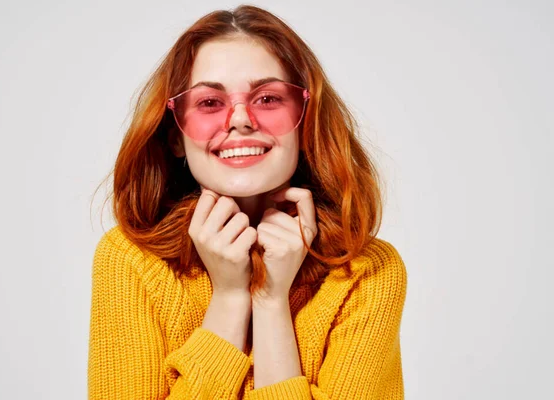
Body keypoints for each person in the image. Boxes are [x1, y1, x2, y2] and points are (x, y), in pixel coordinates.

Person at [88, 4, 407, 399]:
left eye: (268, 99)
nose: (240, 119)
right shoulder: (130, 260)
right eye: (208, 103)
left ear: (306, 121)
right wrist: (230, 298)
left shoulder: (366, 271)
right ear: (174, 136)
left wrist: (272, 302)